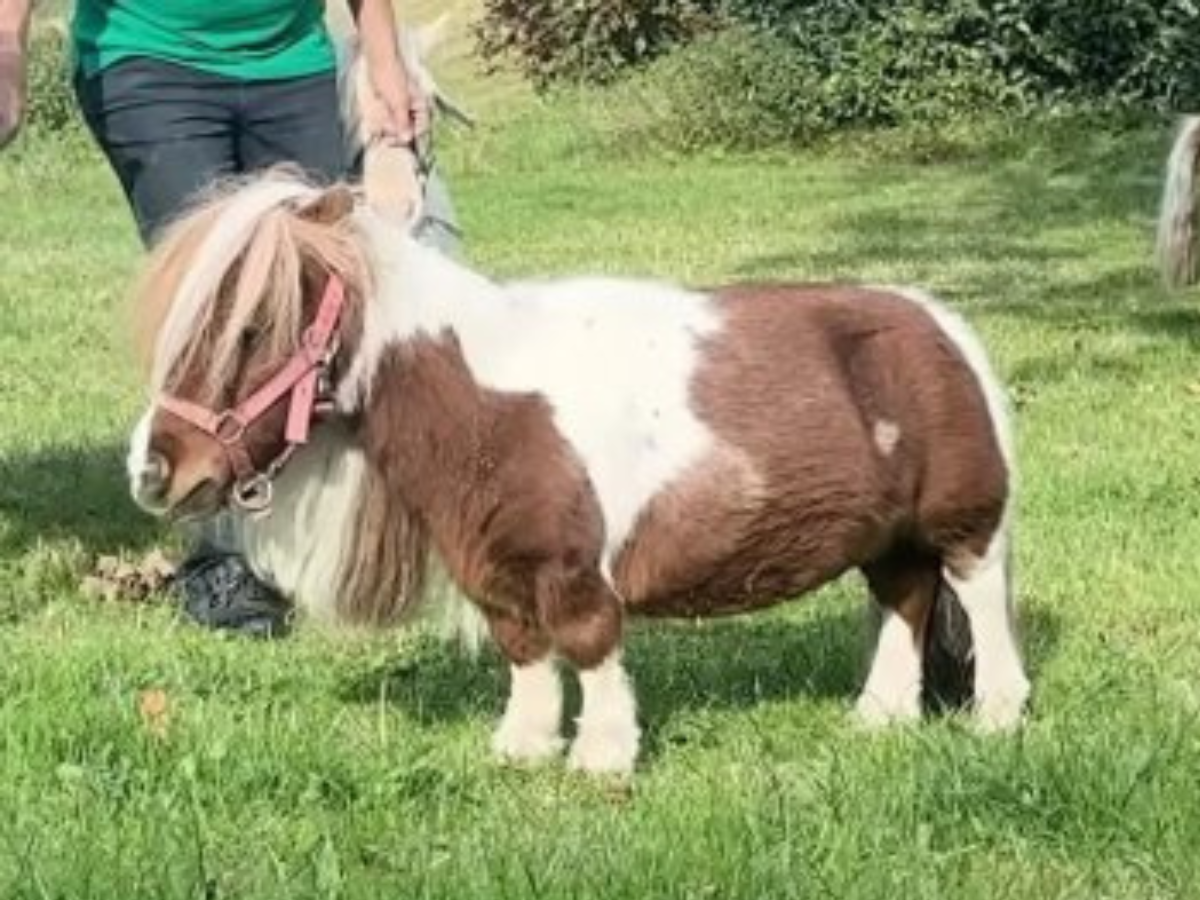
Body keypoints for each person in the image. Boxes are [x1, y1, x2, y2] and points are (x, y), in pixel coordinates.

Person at [0, 0, 435, 635]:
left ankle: (326, 535)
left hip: (290, 61)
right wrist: (8, 43)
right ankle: (222, 559)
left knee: (314, 288)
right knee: (215, 290)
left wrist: (384, 61)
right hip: (148, 60)